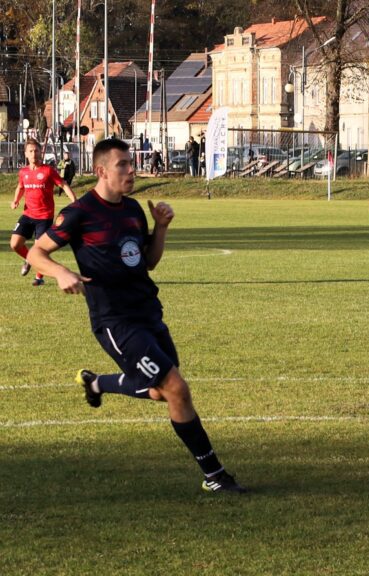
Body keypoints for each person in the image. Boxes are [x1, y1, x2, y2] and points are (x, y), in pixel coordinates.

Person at [26, 138, 246, 493]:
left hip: (148, 312)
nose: (131, 171)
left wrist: (160, 228)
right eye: (123, 165)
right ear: (102, 171)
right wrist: (61, 272)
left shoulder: (132, 209)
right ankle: (215, 475)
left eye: (131, 164)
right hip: (115, 321)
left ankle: (97, 383)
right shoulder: (80, 212)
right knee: (176, 388)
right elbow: (36, 252)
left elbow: (148, 262)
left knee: (161, 393)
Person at [10, 138, 77, 286]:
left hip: (44, 217)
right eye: (31, 151)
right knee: (15, 244)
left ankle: (39, 277)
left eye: (36, 151)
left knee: (39, 249)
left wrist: (75, 201)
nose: (34, 154)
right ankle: (29, 258)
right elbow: (20, 187)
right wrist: (16, 200)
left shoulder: (48, 171)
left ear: (41, 152)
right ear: (26, 154)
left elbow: (64, 185)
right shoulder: (24, 172)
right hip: (28, 214)